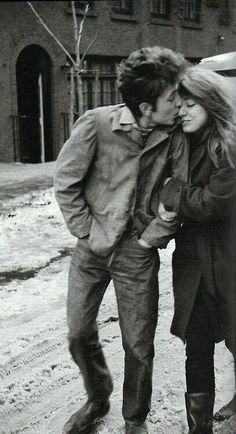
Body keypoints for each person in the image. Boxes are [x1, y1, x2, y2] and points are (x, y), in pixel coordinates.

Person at [54, 46, 187, 434]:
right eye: (172, 97)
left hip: (137, 254)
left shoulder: (173, 135)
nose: (179, 104)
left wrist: (150, 240)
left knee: (139, 346)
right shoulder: (96, 124)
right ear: (146, 106)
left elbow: (176, 194)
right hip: (91, 250)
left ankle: (135, 419)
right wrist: (86, 232)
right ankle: (98, 397)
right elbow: (66, 184)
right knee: (79, 333)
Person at [159, 67, 236, 433]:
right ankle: (199, 428)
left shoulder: (230, 145)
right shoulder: (180, 142)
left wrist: (172, 191)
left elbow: (210, 202)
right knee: (198, 345)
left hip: (229, 259)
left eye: (191, 104)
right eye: (180, 105)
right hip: (193, 262)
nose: (183, 111)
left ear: (211, 104)